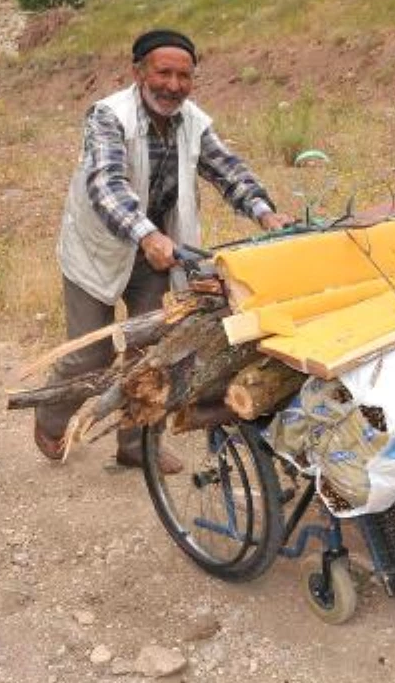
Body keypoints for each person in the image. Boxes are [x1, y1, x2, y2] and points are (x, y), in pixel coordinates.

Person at [34, 29, 292, 469]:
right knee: (90, 354)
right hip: (98, 249)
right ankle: (50, 415)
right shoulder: (108, 116)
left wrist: (266, 214)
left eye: (184, 76)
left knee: (151, 353)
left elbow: (229, 171)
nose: (173, 85)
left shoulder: (193, 121)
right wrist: (146, 234)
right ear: (138, 73)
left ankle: (136, 447)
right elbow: (106, 184)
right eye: (163, 73)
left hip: (158, 251)